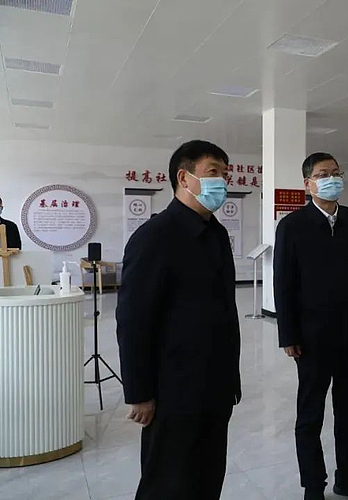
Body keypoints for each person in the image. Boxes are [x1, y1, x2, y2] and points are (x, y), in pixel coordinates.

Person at [116, 140, 241, 500]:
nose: (222, 181)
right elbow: (133, 321)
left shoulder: (216, 233)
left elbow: (224, 311)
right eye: (213, 172)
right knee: (168, 483)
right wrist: (139, 393)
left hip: (215, 385)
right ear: (184, 178)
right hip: (173, 390)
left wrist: (231, 379)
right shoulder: (155, 237)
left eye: (225, 174)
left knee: (208, 476)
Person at [274, 152, 348, 500]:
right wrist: (288, 334)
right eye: (323, 174)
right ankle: (313, 485)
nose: (331, 179)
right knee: (310, 415)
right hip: (312, 337)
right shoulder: (292, 226)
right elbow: (283, 284)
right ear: (308, 184)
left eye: (336, 172)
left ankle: (347, 478)